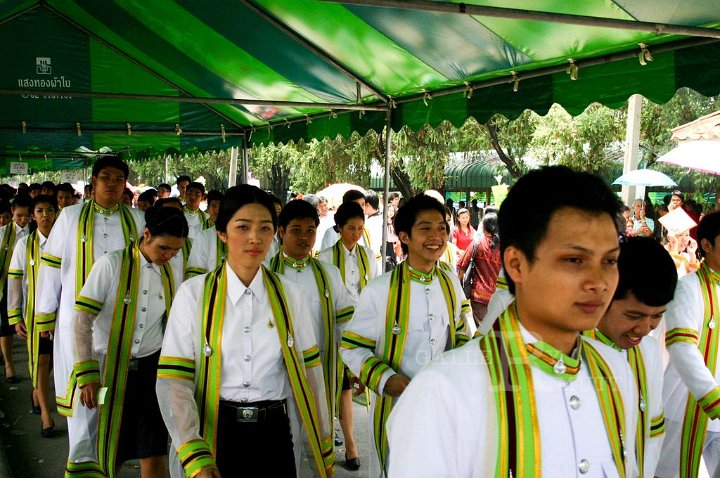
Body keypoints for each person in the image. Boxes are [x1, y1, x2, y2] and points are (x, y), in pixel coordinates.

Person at [386, 166, 637, 477]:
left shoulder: (615, 370)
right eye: (574, 260)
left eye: (610, 260)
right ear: (516, 264)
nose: (598, 282)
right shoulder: (443, 390)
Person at [156, 185, 332, 478]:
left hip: (274, 432)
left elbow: (310, 374)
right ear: (222, 232)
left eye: (265, 228)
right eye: (243, 227)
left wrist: (322, 447)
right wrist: (194, 452)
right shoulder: (193, 294)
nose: (255, 238)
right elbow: (174, 380)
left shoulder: (290, 295)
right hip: (214, 432)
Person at [340, 193, 473, 476]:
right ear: (404, 236)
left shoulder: (450, 281)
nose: (436, 237)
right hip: (395, 406)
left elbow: (462, 332)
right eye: (425, 228)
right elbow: (351, 347)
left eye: (441, 228)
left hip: (442, 406)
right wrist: (386, 380)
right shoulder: (380, 290)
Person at [35, 156, 144, 461]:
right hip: (76, 321)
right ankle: (82, 461)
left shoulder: (137, 220)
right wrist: (45, 314)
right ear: (94, 182)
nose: (112, 184)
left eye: (119, 179)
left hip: (120, 322)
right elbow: (51, 267)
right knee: (82, 394)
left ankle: (107, 459)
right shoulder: (70, 216)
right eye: (106, 177)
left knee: (111, 394)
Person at [68, 207, 187, 476]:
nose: (169, 256)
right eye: (164, 248)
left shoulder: (170, 273)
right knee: (105, 446)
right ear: (147, 234)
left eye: (176, 251)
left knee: (153, 449)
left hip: (150, 373)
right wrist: (86, 374)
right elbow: (82, 321)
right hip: (106, 371)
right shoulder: (112, 264)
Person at [268, 199, 359, 470]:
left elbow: (346, 324)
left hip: (318, 369)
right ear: (281, 232)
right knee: (283, 440)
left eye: (310, 231)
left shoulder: (329, 274)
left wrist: (356, 364)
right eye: (296, 230)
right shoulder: (265, 272)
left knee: (318, 434)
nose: (304, 238)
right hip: (276, 373)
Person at [586, 237, 676, 477]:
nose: (645, 329)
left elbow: (653, 432)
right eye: (634, 315)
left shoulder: (648, 351)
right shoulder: (573, 352)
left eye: (657, 316)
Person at [656, 211, 720, 477]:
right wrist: (713, 398)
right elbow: (682, 347)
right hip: (685, 405)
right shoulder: (688, 288)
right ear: (706, 245)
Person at [8, 195, 58, 437]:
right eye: (40, 211)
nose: (45, 215)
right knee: (40, 360)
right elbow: (15, 280)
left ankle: (38, 392)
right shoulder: (25, 245)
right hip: (35, 313)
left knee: (55, 362)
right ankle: (46, 416)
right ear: (32, 216)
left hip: (61, 313)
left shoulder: (65, 241)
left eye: (50, 210)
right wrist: (15, 314)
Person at [0, 194, 32, 383]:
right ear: (12, 212)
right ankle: (9, 364)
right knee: (6, 326)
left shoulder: (36, 231)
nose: (23, 220)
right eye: (19, 215)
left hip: (32, 284)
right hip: (7, 285)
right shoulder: (3, 233)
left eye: (27, 215)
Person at [456, 212, 501, 326]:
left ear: (484, 228)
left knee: (482, 330)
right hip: (499, 298)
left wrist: (456, 289)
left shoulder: (478, 244)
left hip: (479, 297)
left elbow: (462, 265)